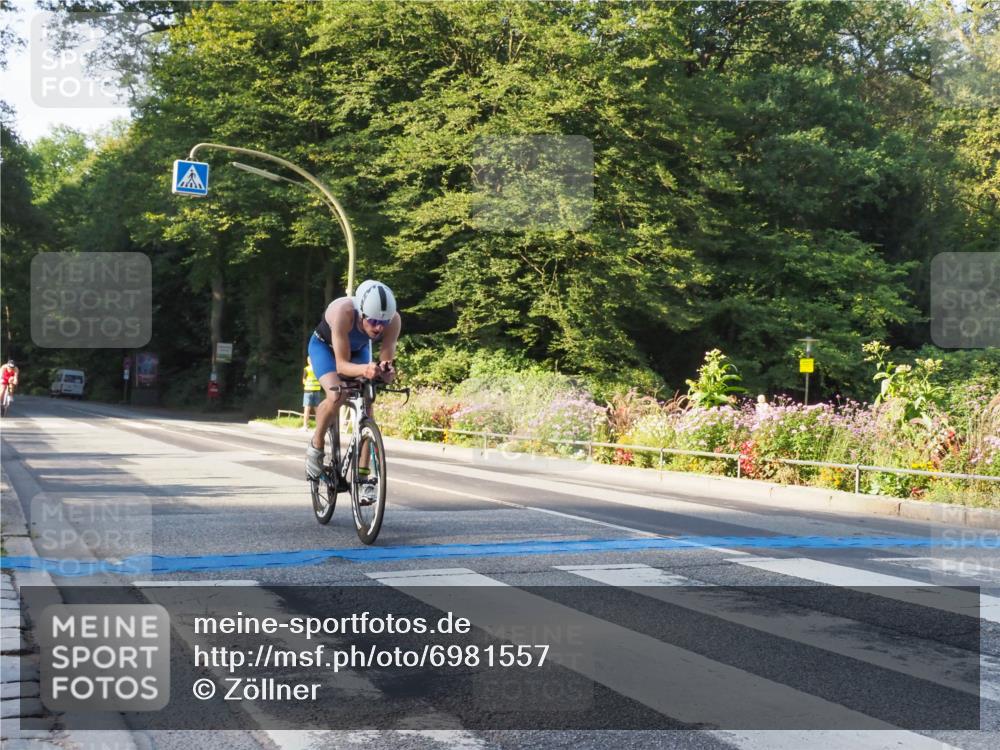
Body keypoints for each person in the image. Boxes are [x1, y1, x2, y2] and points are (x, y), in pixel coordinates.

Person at [305, 280, 401, 492]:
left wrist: (386, 373)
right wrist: (364, 370)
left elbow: (385, 364)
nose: (378, 328)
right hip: (325, 348)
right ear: (362, 313)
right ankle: (317, 444)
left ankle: (364, 477)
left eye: (383, 323)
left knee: (368, 403)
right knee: (337, 395)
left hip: (358, 351)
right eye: (374, 321)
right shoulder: (344, 312)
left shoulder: (393, 321)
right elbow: (341, 365)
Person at [301, 359, 322, 430]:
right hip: (317, 390)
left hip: (308, 391)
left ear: (308, 361)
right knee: (317, 410)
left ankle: (305, 426)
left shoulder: (306, 369)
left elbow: (303, 381)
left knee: (307, 409)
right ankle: (319, 426)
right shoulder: (318, 368)